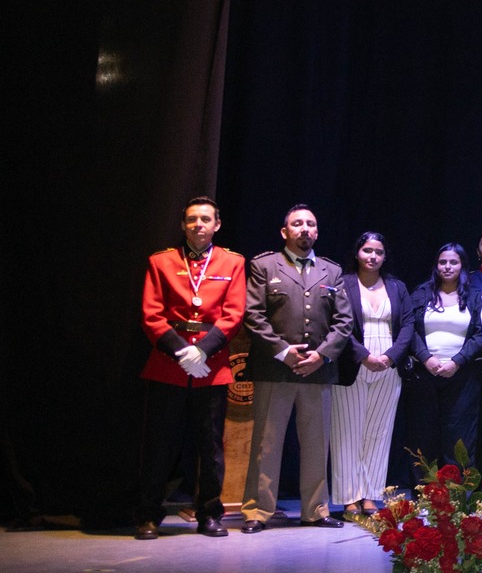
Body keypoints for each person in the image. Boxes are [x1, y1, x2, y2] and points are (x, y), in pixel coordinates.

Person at [135, 197, 247, 539]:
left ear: (217, 224)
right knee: (158, 445)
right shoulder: (162, 261)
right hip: (169, 365)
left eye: (205, 219)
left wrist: (204, 351)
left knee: (210, 447)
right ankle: (149, 514)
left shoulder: (233, 262)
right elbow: (151, 314)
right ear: (183, 225)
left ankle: (209, 514)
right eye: (191, 220)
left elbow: (234, 314)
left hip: (210, 367)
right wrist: (184, 353)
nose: (198, 225)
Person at [241, 204, 354, 532]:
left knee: (317, 443)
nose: (305, 228)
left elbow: (344, 321)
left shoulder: (331, 271)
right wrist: (282, 351)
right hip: (275, 369)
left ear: (316, 232)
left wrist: (322, 355)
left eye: (311, 224)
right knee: (267, 444)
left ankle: (316, 509)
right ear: (284, 231)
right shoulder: (264, 265)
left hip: (317, 371)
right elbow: (253, 315)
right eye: (297, 224)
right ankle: (257, 511)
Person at [333, 231, 414, 516]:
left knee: (378, 434)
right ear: (357, 252)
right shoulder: (343, 283)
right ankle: (349, 498)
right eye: (367, 251)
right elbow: (339, 327)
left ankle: (369, 496)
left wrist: (390, 357)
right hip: (354, 364)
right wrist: (364, 356)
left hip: (387, 367)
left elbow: (407, 326)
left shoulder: (396, 286)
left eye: (378, 252)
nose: (373, 257)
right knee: (348, 433)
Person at [404, 244, 482, 488]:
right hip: (424, 375)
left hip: (463, 376)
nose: (447, 267)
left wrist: (457, 361)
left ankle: (457, 498)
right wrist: (425, 357)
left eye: (453, 262)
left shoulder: (475, 295)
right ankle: (426, 497)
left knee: (459, 440)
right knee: (423, 439)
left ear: (463, 265)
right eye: (442, 262)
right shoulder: (420, 294)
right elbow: (408, 329)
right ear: (436, 266)